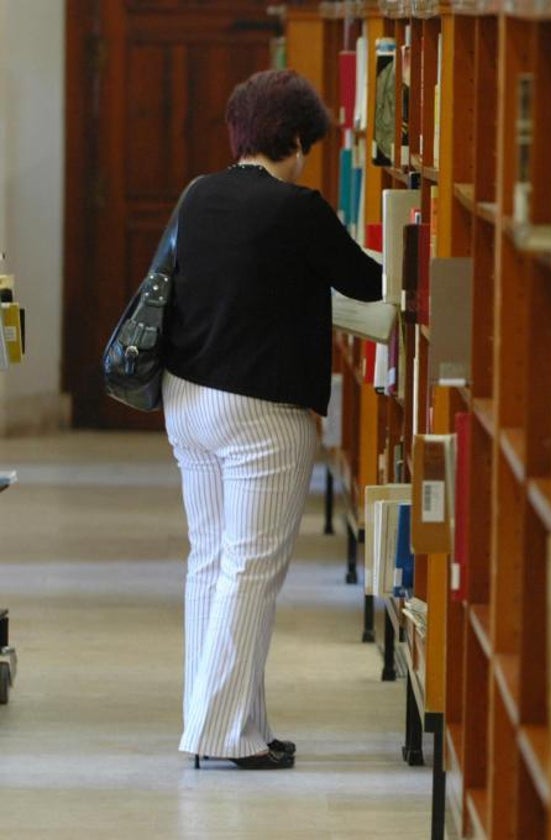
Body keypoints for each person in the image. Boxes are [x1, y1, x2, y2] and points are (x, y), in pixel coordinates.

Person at [161, 69, 382, 770]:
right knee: (252, 571)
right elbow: (370, 283)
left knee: (212, 563)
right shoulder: (299, 209)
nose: (306, 159)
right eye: (307, 146)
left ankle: (231, 719)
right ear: (291, 138)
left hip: (187, 401)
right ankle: (223, 734)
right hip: (260, 412)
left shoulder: (197, 197)